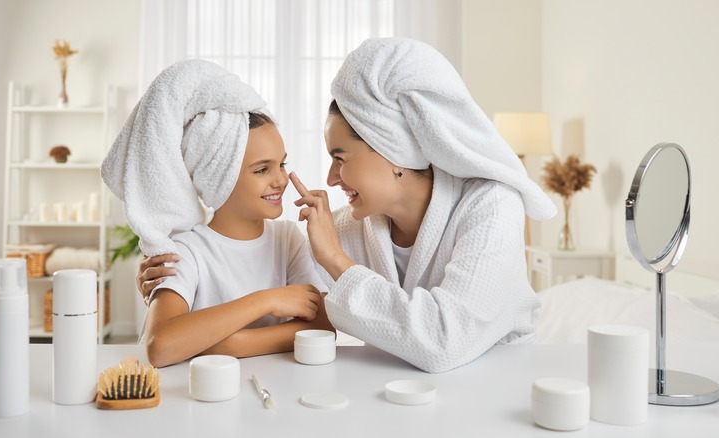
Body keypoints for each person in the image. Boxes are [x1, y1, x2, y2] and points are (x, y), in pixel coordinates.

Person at [138, 38, 556, 373]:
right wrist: (169, 288)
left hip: (500, 385)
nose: (331, 178)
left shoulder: (491, 207)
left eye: (340, 158)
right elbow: (284, 288)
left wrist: (336, 262)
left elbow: (444, 341)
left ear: (391, 149)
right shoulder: (348, 230)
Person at [102, 60, 332, 368]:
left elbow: (321, 329)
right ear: (218, 178)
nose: (280, 179)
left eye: (282, 164)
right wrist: (267, 300)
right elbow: (160, 347)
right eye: (262, 170)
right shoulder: (186, 250)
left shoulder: (287, 239)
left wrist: (229, 343)